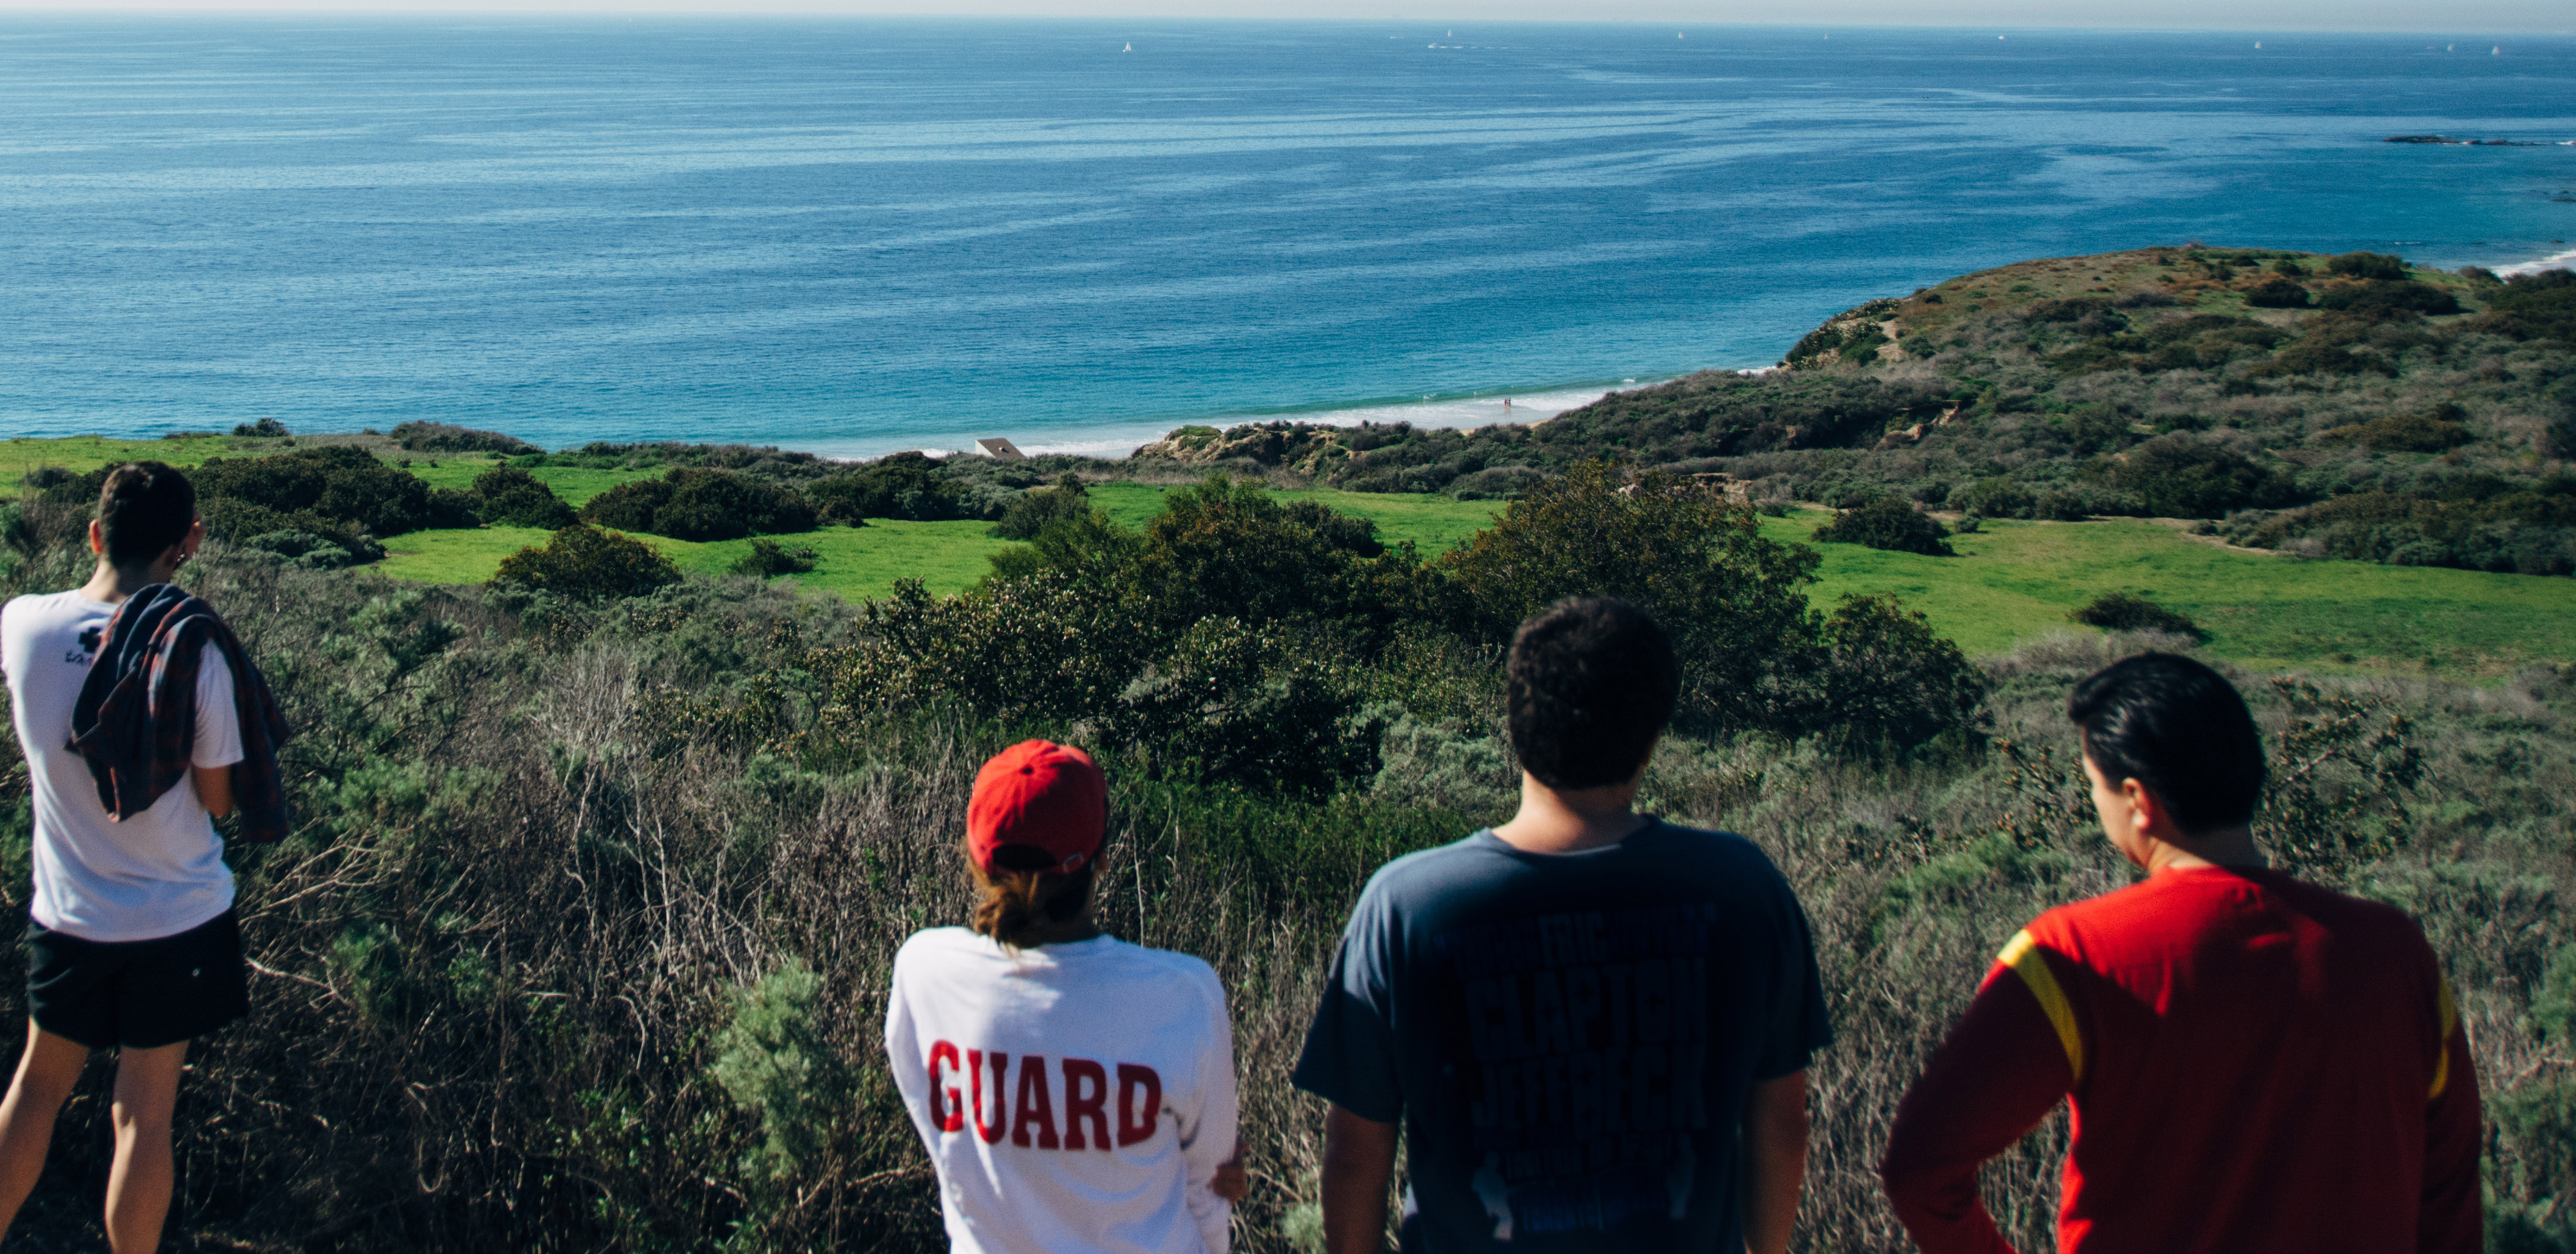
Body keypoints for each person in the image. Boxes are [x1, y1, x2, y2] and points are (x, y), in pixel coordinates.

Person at [1879, 651, 2481, 1254]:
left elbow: (1921, 1165)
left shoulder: (2075, 954)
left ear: (2138, 799)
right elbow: (2450, 1187)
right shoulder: (2398, 954)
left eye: (2094, 784)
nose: (2095, 802)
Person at [1295, 596, 1826, 1254]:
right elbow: (1783, 1123)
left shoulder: (1407, 905)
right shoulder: (1746, 887)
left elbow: (1354, 1154)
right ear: (1654, 736)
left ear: (1514, 723)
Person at [0, 460, 251, 1254]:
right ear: (187, 541)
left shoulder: (22, 623)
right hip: (176, 916)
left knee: (36, 1089)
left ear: (95, 535)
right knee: (143, 1114)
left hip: (69, 913)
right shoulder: (195, 650)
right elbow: (219, 800)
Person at [883, 739, 1247, 1254]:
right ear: (1100, 858)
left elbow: (941, 1134)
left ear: (977, 858)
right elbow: (1211, 1186)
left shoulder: (924, 973)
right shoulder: (1182, 995)